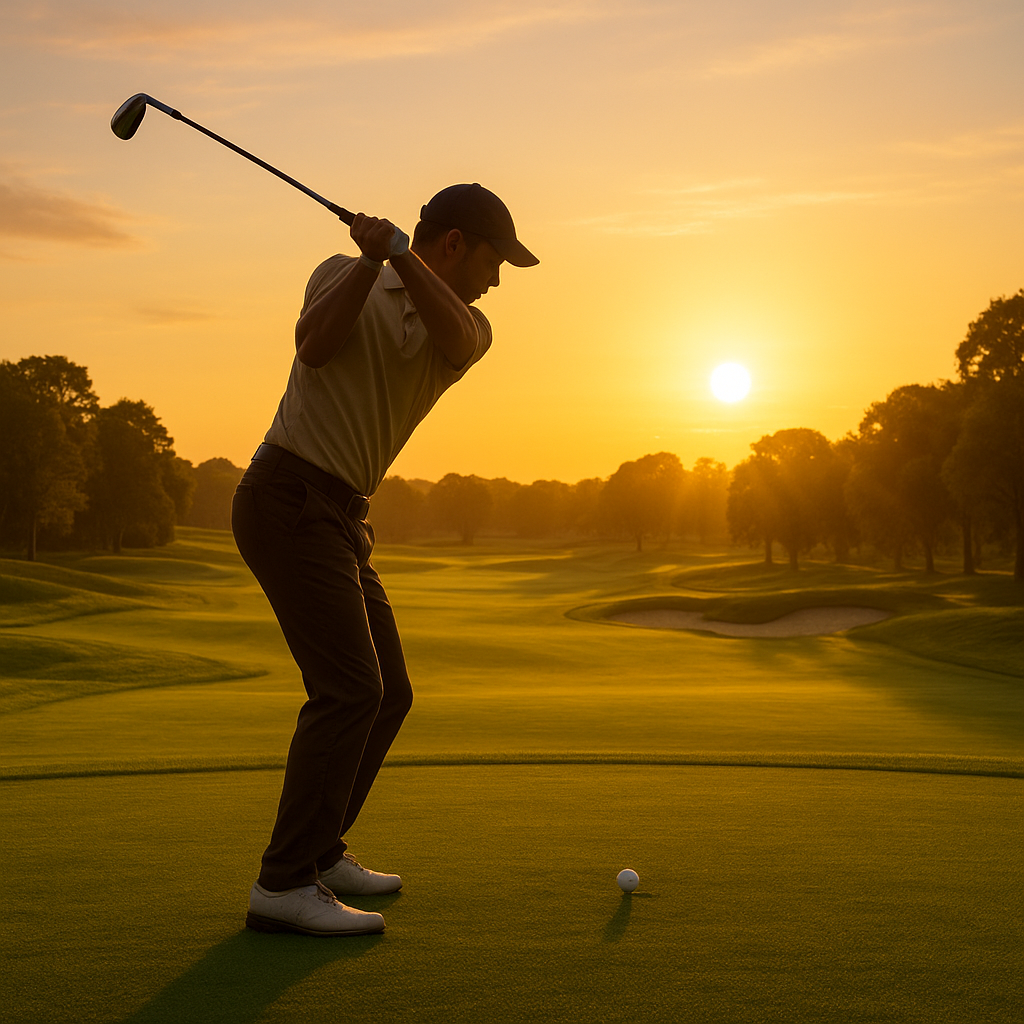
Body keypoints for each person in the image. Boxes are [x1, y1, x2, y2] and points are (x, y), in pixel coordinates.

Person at [231, 184, 538, 937]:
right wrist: (372, 262)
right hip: (285, 495)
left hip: (341, 516)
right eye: (494, 261)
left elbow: (456, 337)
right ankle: (283, 882)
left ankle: (320, 850)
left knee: (388, 692)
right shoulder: (341, 272)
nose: (497, 282)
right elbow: (313, 347)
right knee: (348, 690)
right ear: (456, 244)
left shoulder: (469, 325)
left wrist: (400, 256)